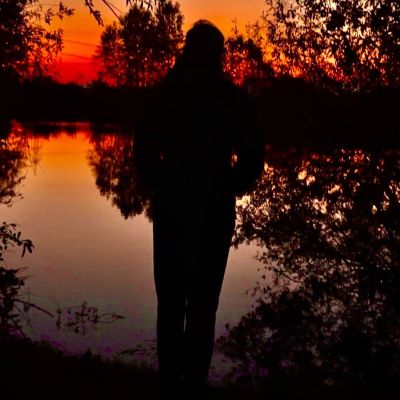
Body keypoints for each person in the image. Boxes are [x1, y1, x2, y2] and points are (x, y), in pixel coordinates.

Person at [136, 20, 265, 395]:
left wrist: (164, 182)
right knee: (202, 302)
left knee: (173, 301)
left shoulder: (167, 93)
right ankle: (192, 382)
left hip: (177, 207)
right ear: (217, 54)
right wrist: (228, 186)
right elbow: (253, 157)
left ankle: (172, 381)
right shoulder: (229, 97)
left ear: (187, 50)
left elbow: (143, 153)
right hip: (211, 208)